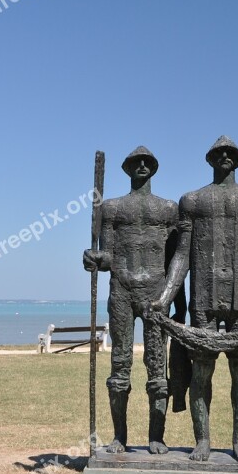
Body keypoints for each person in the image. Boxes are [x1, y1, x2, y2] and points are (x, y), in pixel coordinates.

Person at [153, 136, 238, 463]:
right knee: (201, 373)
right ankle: (203, 440)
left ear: (237, 159)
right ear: (210, 159)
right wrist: (164, 298)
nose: (224, 156)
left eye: (230, 153)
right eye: (219, 153)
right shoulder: (192, 201)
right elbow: (181, 257)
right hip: (204, 297)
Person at [83, 146, 183, 455]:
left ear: (153, 168)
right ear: (127, 169)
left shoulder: (168, 209)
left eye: (146, 162)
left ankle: (157, 436)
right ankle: (119, 437)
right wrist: (95, 258)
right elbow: (109, 255)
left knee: (157, 365)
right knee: (120, 364)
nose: (141, 166)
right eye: (135, 163)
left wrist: (178, 301)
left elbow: (176, 259)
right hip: (122, 292)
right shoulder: (111, 209)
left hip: (156, 293)